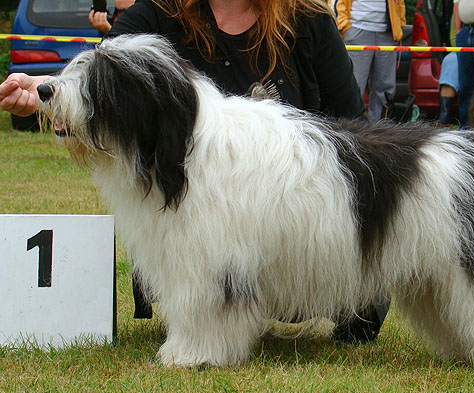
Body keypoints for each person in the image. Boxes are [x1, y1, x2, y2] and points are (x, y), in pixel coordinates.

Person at [0, 0, 387, 344]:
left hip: (292, 232)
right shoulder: (158, 13)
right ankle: (209, 314)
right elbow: (101, 75)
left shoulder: (309, 19)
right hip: (185, 215)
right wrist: (41, 88)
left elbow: (351, 129)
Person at [333, 0, 406, 122]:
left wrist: (399, 24)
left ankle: (381, 130)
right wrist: (344, 27)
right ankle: (350, 130)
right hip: (357, 30)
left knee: (385, 88)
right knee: (353, 85)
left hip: (387, 32)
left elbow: (400, 3)